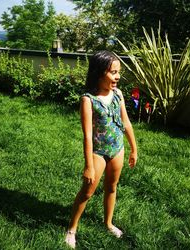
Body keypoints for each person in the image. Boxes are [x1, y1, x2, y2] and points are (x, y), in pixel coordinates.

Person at [65, 50, 137, 249]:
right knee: (87, 192)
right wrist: (89, 165)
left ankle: (108, 223)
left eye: (118, 72)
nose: (118, 76)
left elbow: (126, 122)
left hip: (117, 149)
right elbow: (87, 136)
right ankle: (72, 229)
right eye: (113, 72)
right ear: (99, 72)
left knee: (111, 187)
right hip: (98, 152)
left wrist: (133, 149)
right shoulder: (88, 100)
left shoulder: (118, 94)